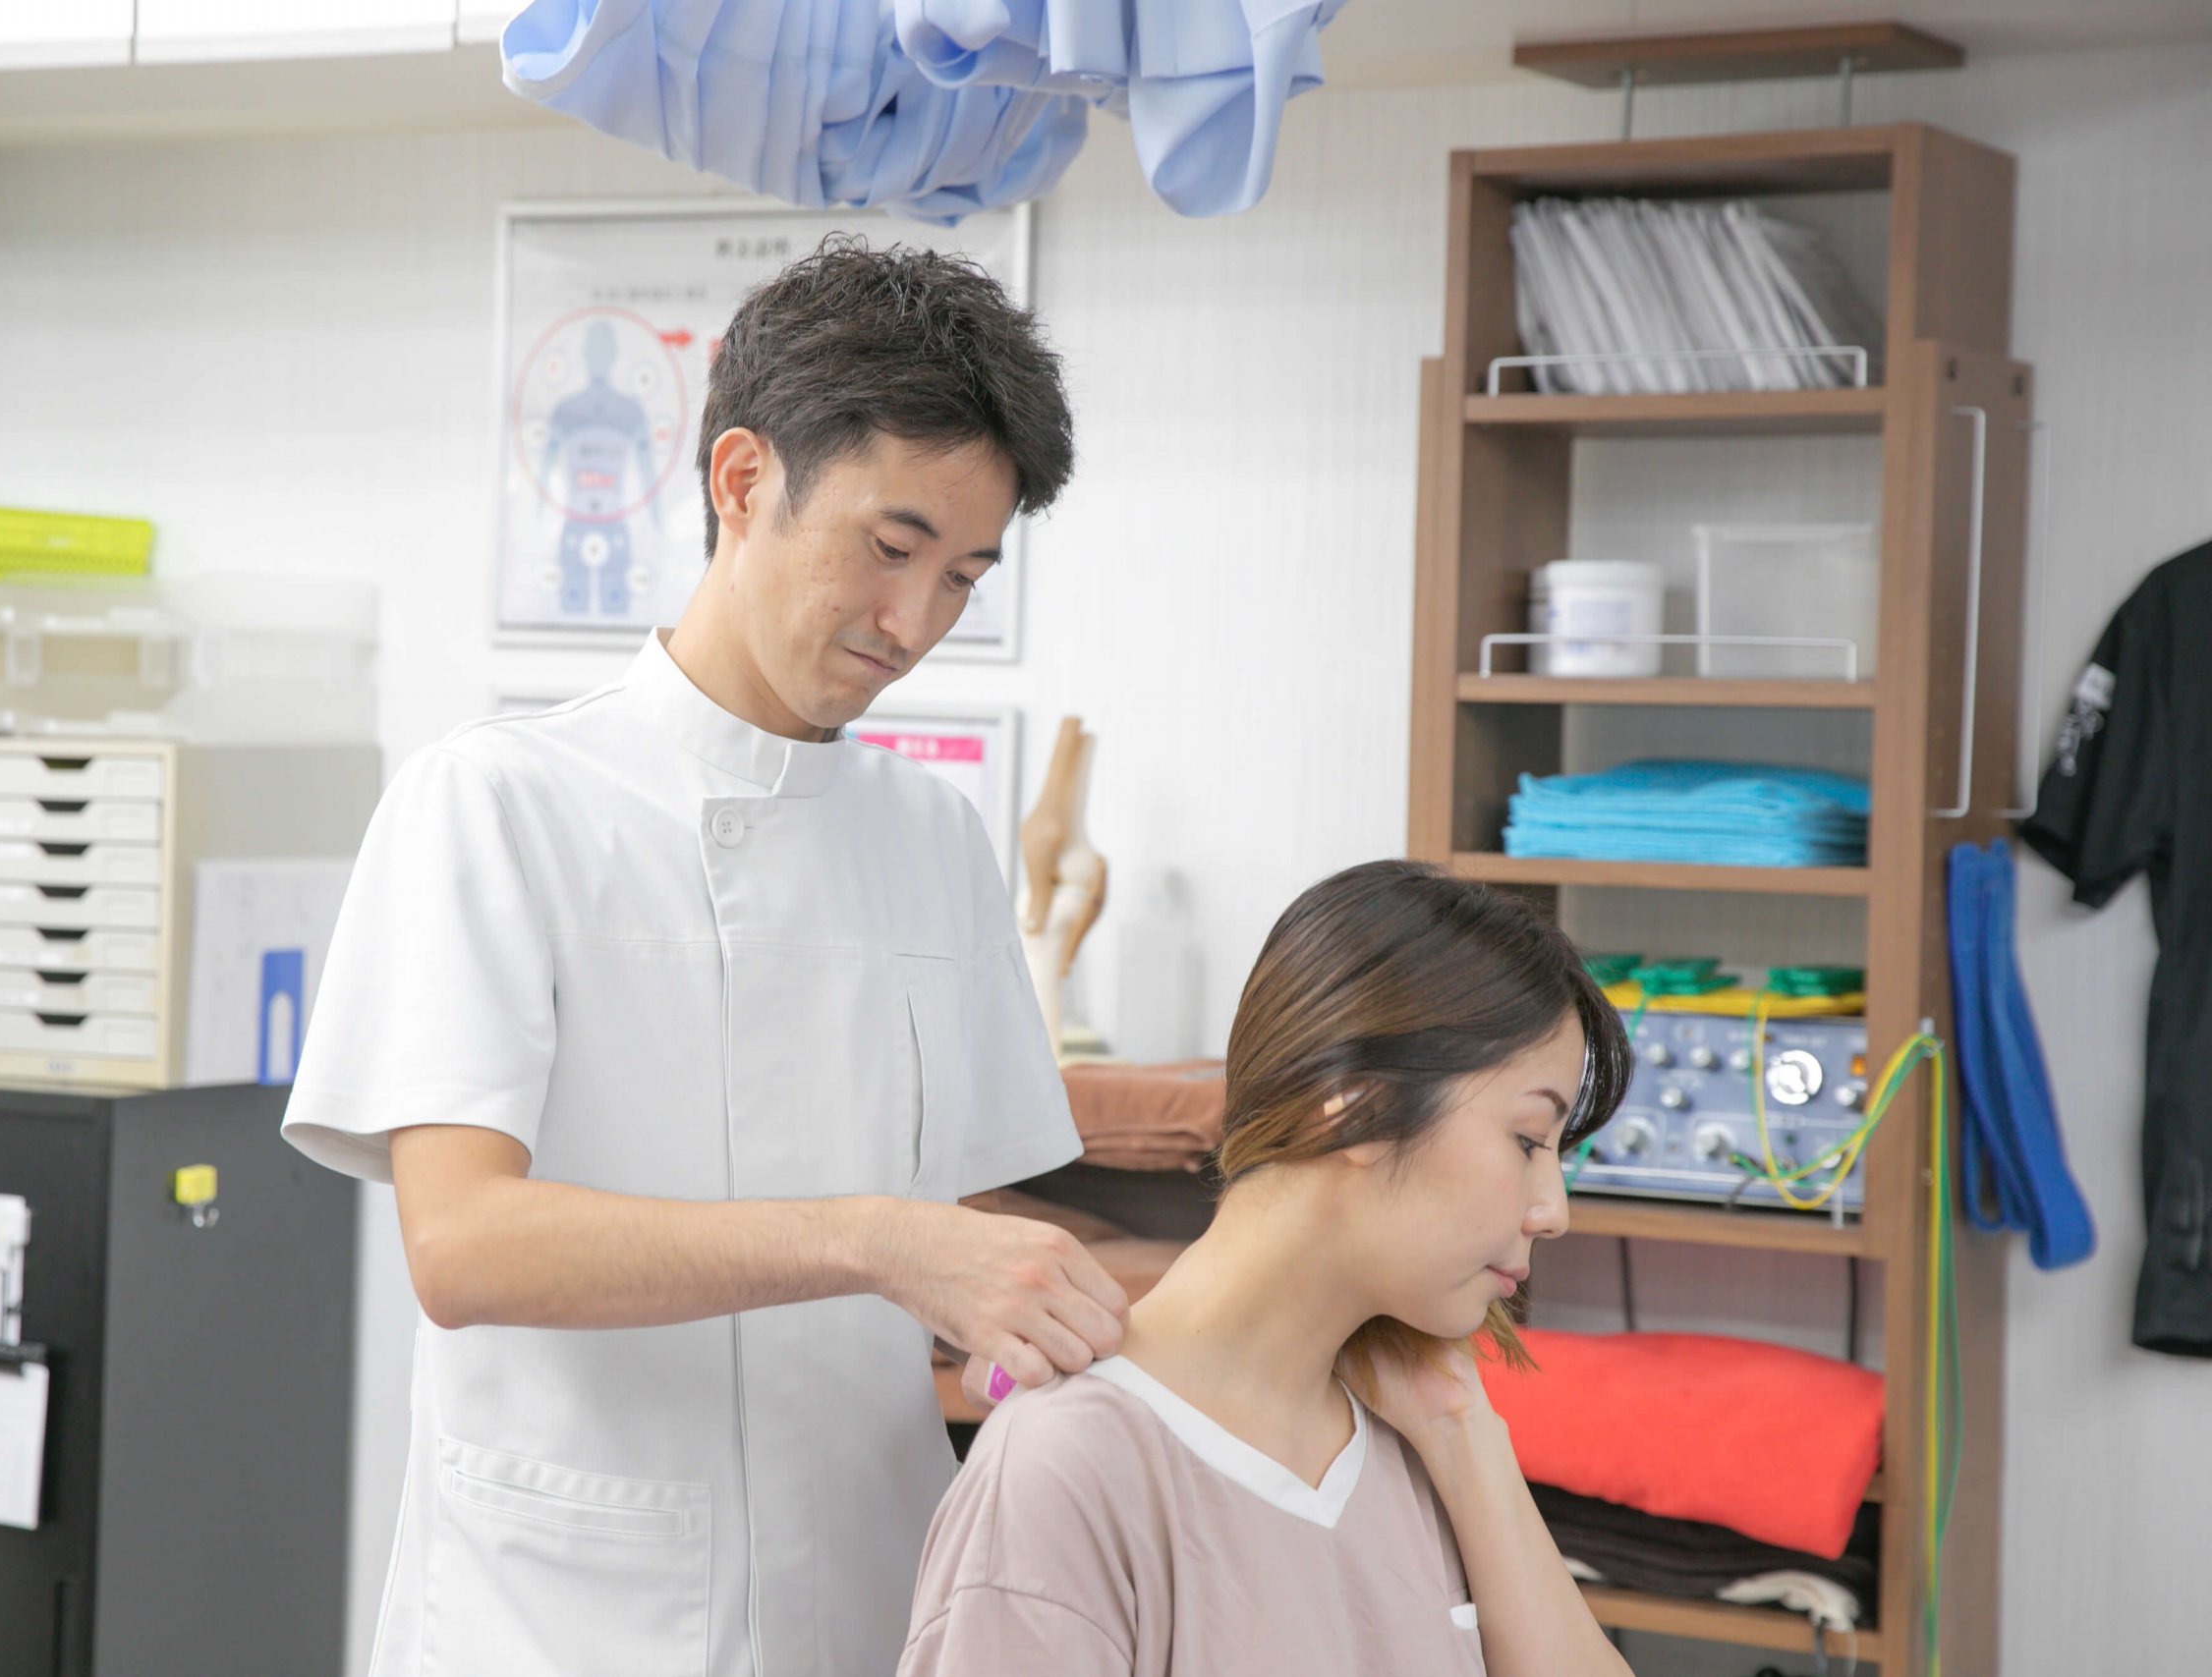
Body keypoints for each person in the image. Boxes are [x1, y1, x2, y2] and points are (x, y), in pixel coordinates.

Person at [282, 236, 1131, 1677]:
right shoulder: (496, 802)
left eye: (965, 576)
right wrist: (872, 1235)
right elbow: (465, 1244)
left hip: (876, 1580)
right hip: (563, 1609)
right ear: (742, 481)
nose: (915, 623)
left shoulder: (934, 837)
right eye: (891, 547)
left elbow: (988, 1241)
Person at [900, 860, 1638, 1676]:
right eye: (1529, 1140)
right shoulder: (1066, 1467)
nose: (1552, 1210)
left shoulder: (1418, 1435)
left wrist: (1469, 1438)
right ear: (1356, 1104)